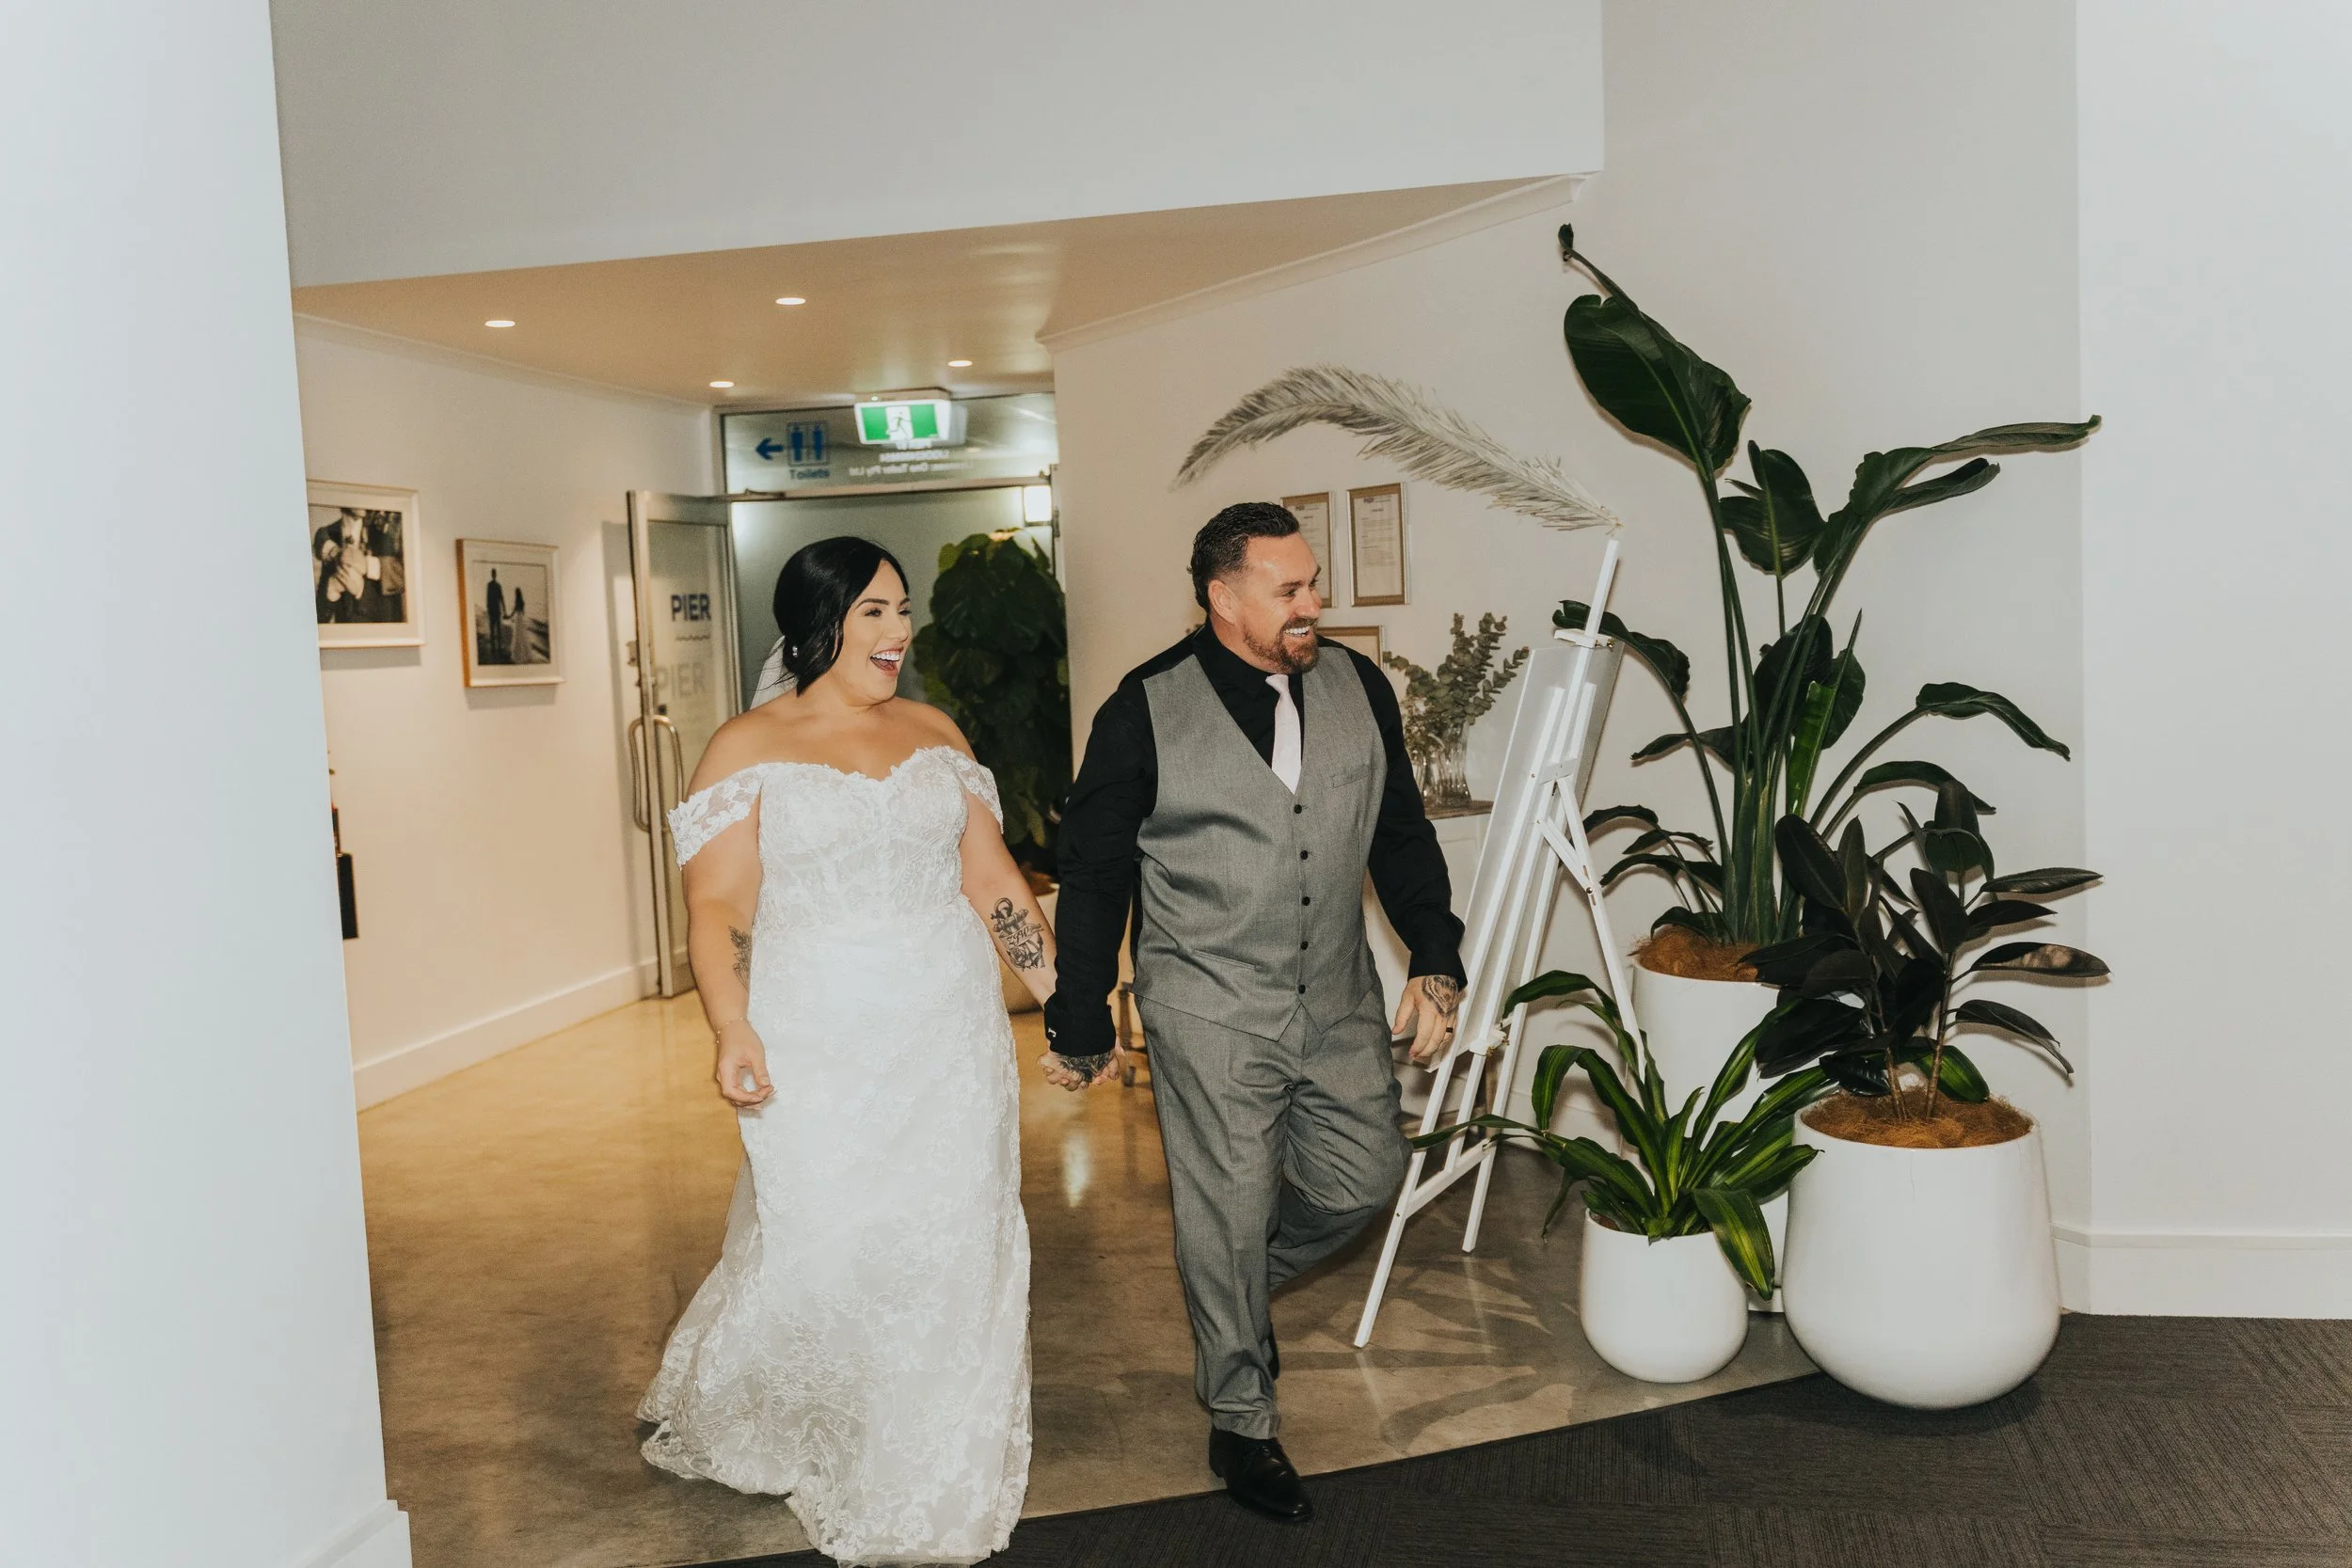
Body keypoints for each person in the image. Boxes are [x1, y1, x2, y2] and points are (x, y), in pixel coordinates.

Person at [638, 535, 1061, 1566]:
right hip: (817, 1033)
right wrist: (731, 1022)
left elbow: (996, 884)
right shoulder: (745, 746)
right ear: (817, 622)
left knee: (956, 1235)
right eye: (873, 611)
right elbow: (719, 904)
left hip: (948, 1033)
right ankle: (806, 1408)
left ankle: (923, 1457)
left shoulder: (934, 731)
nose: (899, 631)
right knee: (829, 1242)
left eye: (902, 610)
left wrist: (1066, 1001)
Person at [1045, 501, 1464, 1524]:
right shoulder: (1144, 706)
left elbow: (1398, 834)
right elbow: (1094, 869)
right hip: (1208, 1005)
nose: (1313, 603)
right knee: (1225, 1203)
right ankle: (1240, 1418)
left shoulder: (1357, 684)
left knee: (1364, 1176)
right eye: (1289, 589)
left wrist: (1436, 958)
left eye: (1313, 581)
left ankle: (1230, 1285)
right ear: (1220, 597)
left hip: (1335, 995)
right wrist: (1080, 1011)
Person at [484, 568, 507, 662]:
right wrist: (489, 609)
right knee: (495, 630)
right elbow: (489, 598)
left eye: (494, 573)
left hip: (496, 611)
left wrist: (504, 611)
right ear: (493, 574)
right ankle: (495, 648)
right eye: (493, 573)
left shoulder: (495, 585)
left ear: (494, 574)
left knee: (496, 630)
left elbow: (501, 599)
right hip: (494, 611)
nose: (494, 575)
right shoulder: (494, 585)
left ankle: (496, 648)